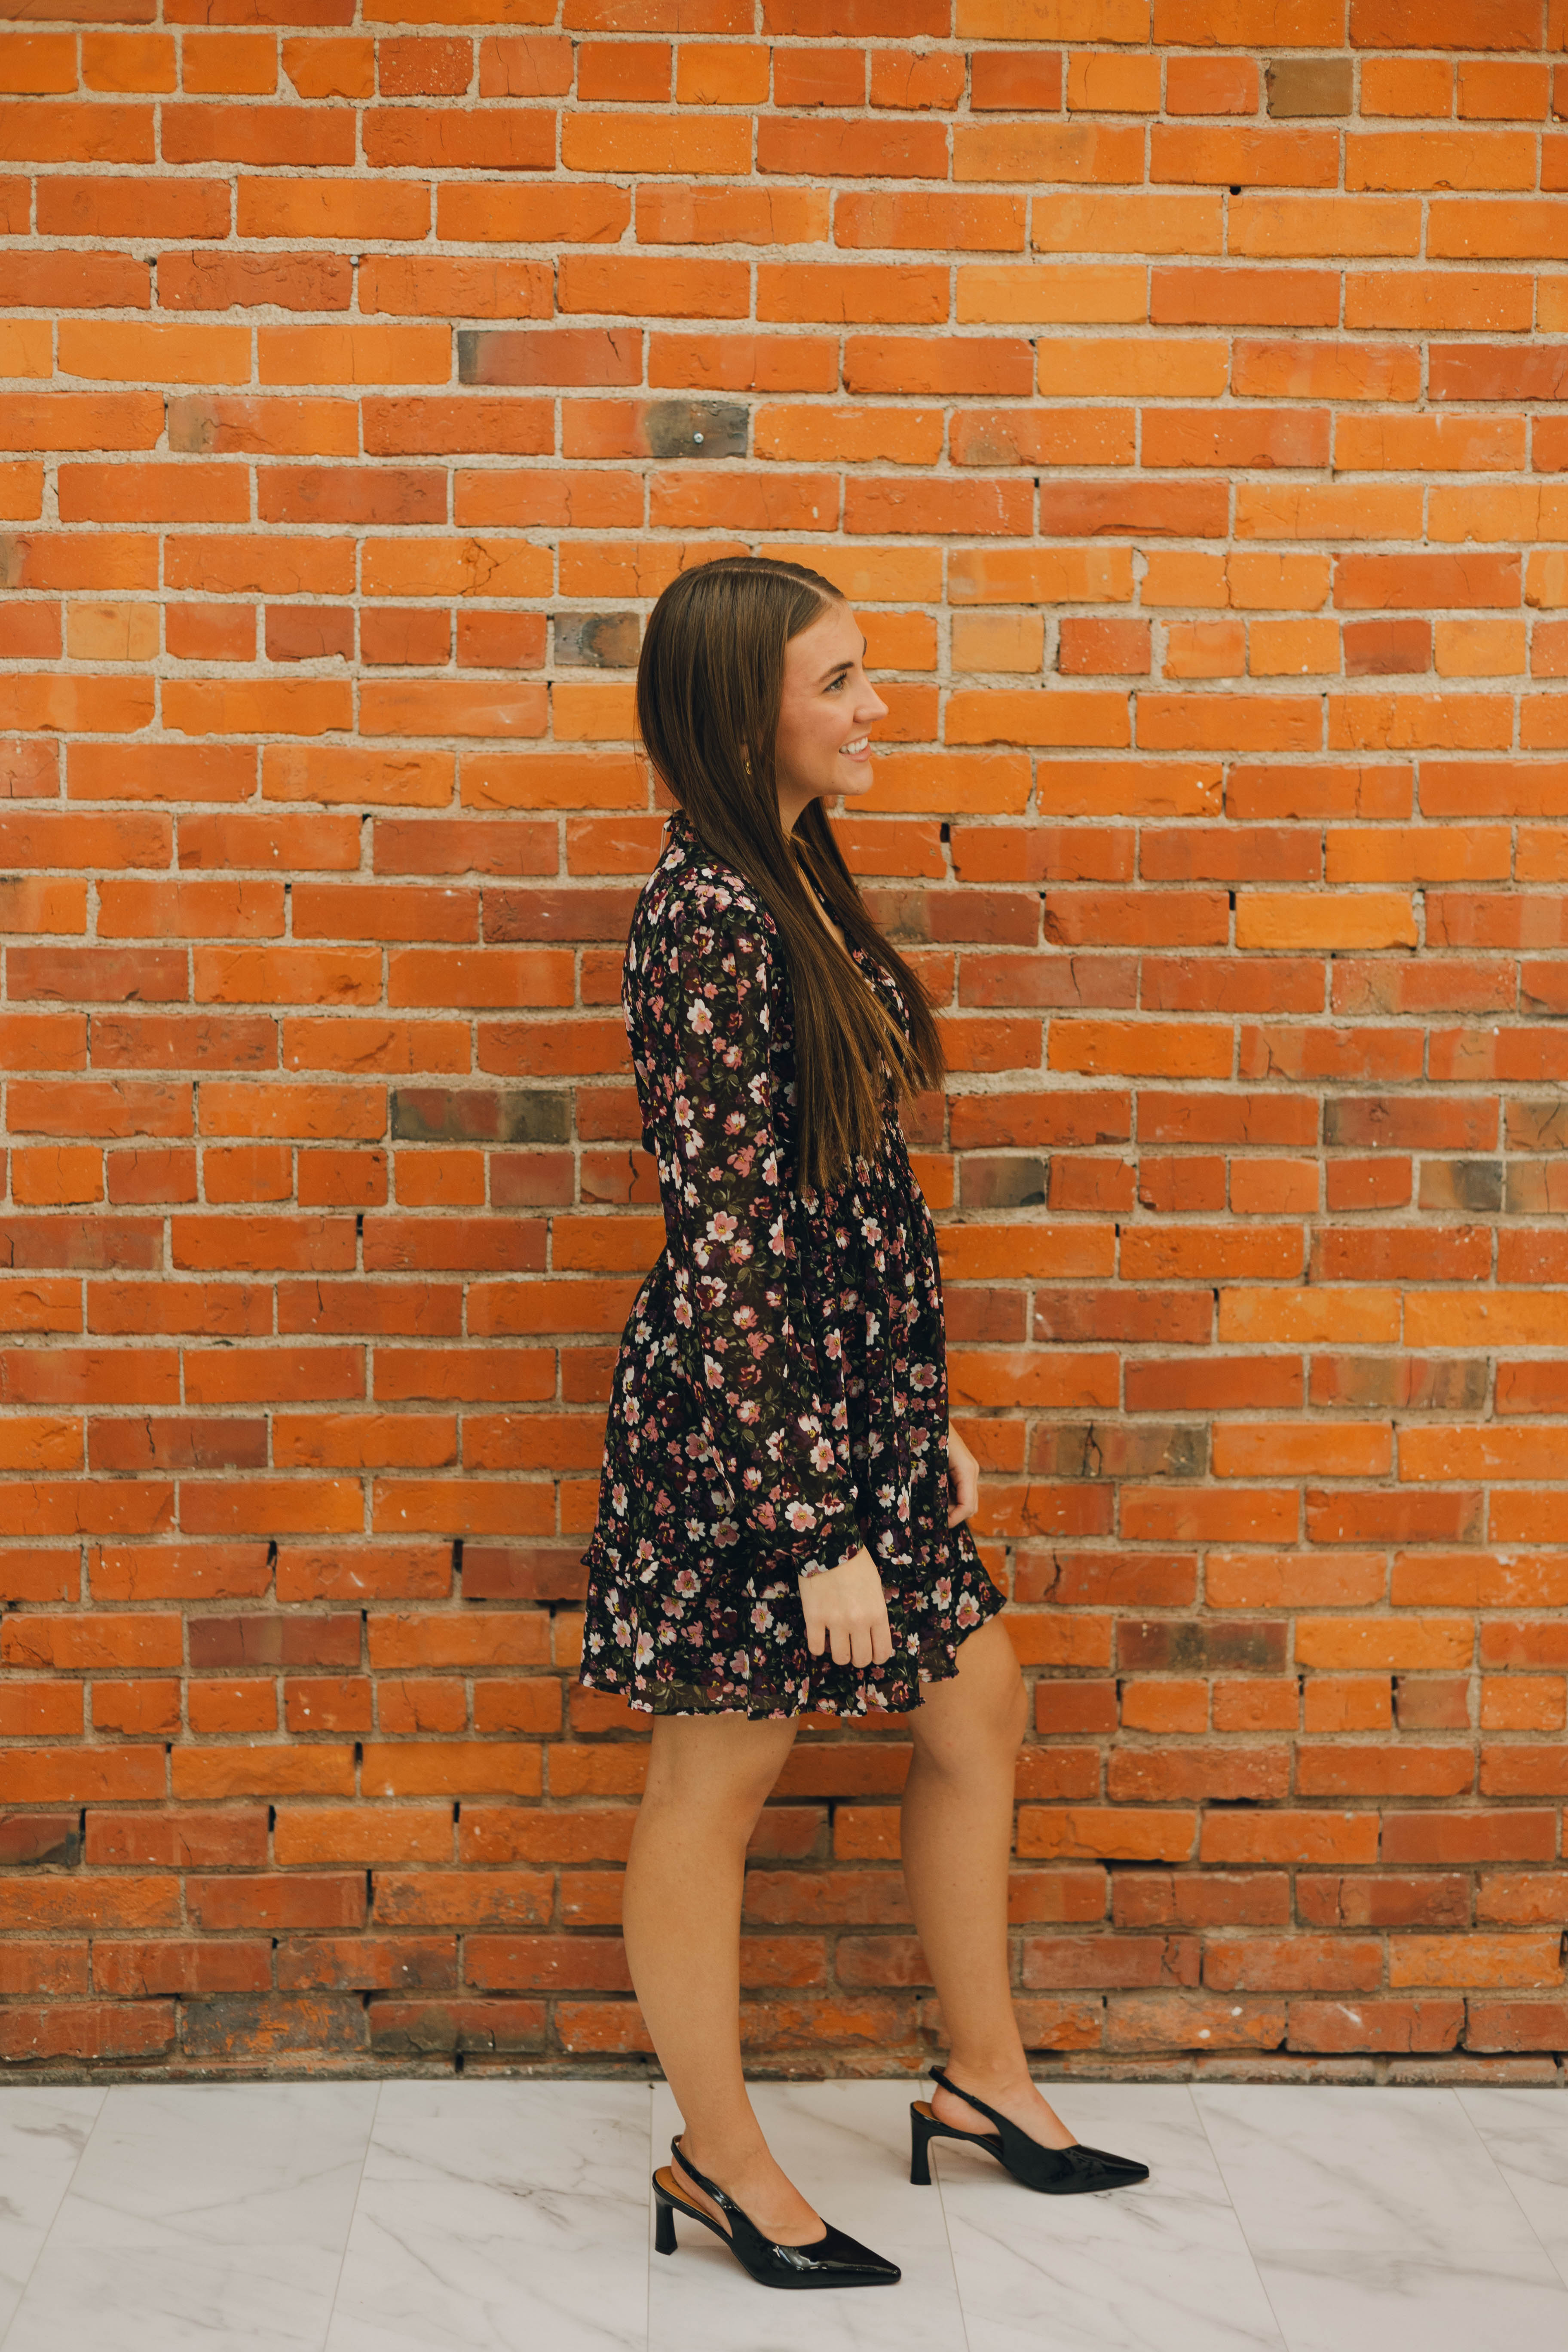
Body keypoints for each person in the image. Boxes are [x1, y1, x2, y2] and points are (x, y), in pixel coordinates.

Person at [578, 556, 1148, 2291]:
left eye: (865, 672)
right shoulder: (703, 920)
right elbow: (732, 1244)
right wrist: (815, 1521)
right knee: (720, 1767)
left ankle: (983, 2083)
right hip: (748, 1422)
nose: (875, 706)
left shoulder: (796, 870)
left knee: (978, 1697)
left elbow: (858, 1189)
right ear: (740, 709)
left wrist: (920, 1419)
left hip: (850, 1402)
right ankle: (721, 2161)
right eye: (838, 682)